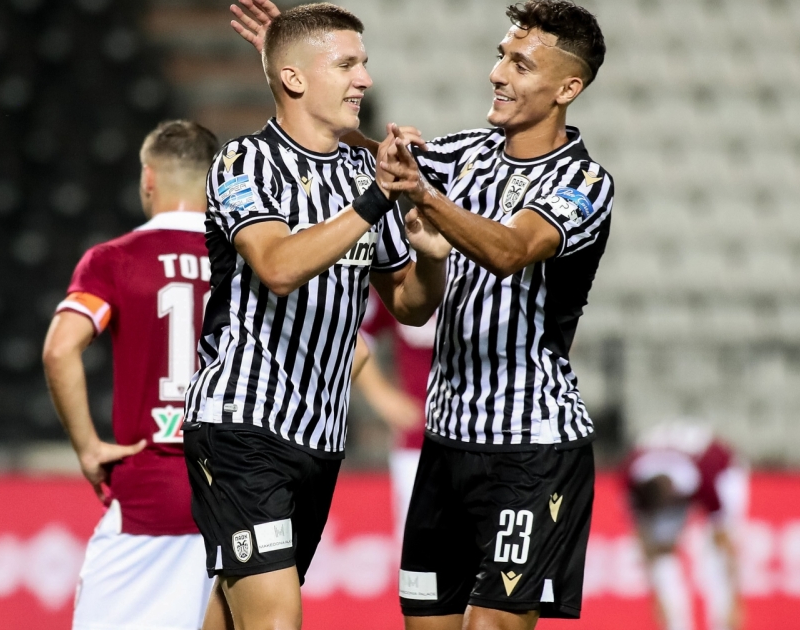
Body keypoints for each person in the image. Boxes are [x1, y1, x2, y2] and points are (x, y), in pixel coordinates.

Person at [231, 1, 613, 627]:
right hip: (444, 445)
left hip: (531, 449)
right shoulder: (466, 154)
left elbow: (511, 250)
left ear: (567, 88)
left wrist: (424, 196)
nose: (498, 74)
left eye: (520, 65)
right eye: (501, 56)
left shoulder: (584, 183)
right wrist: (293, 69)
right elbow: (369, 154)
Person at [181, 5, 452, 630]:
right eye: (347, 64)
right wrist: (377, 198)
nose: (365, 79)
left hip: (321, 438)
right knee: (276, 619)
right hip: (242, 423)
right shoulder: (244, 162)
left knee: (236, 610)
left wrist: (432, 259)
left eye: (364, 63)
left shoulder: (361, 173)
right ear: (295, 78)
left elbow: (408, 303)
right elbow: (277, 266)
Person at [41, 120, 220, 630]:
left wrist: (87, 448)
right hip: (235, 498)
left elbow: (59, 350)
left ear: (148, 178)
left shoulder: (114, 260)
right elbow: (353, 353)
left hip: (148, 496)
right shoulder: (253, 264)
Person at [624, 423, 748, 630]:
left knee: (715, 556)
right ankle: (675, 625)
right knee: (662, 554)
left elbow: (725, 543)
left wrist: (735, 600)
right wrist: (657, 597)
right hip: (677, 468)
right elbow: (645, 540)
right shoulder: (631, 478)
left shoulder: (706, 477)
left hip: (722, 467)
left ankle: (723, 624)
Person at [355, 290, 436, 538]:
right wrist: (381, 395)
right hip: (417, 444)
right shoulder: (405, 277)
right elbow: (353, 334)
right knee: (420, 548)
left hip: (485, 437)